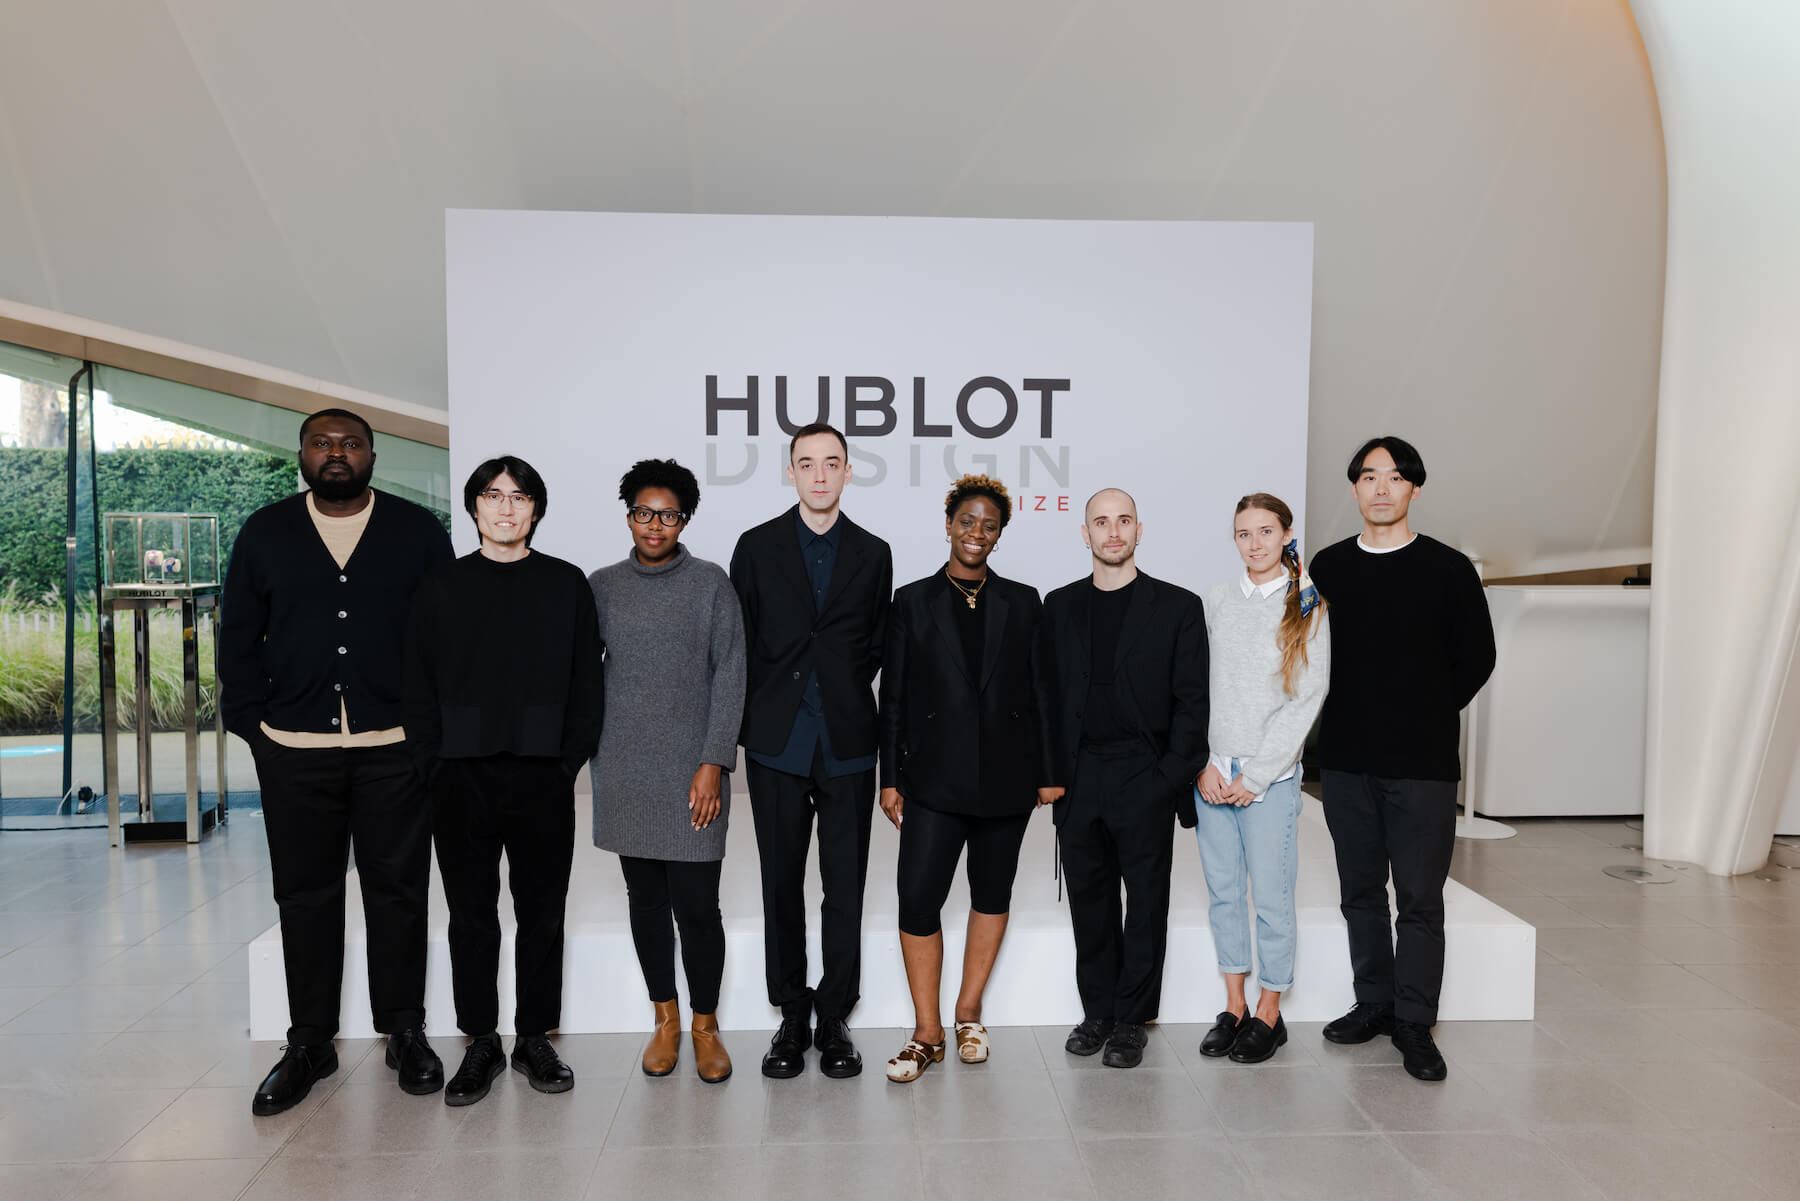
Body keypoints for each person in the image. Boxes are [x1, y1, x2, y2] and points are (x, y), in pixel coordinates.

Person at [219, 407, 452, 1116]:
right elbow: (238, 635)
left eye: (350, 443)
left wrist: (430, 734)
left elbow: (446, 636)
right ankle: (310, 1043)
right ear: (302, 455)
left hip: (394, 749)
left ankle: (404, 1031)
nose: (336, 453)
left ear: (373, 455)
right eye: (321, 443)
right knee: (305, 896)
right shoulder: (266, 532)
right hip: (294, 750)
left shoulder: (416, 531)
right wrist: (255, 728)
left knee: (398, 892)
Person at [402, 455, 604, 1105]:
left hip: (543, 774)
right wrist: (434, 765)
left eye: (519, 497)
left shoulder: (566, 583)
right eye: (493, 495)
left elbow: (589, 682)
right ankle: (481, 1040)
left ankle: (533, 1036)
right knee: (470, 915)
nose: (506, 507)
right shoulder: (441, 585)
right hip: (459, 777)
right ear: (474, 507)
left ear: (536, 509)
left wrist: (567, 762)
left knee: (543, 912)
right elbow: (416, 683)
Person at [1308, 436, 1495, 1082]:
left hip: (1422, 763)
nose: (1381, 488)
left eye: (1394, 477)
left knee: (1418, 898)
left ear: (1414, 486)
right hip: (1345, 760)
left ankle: (1414, 1020)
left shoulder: (1448, 568)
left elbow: (1478, 656)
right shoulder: (1328, 567)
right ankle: (1374, 1003)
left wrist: (1426, 711)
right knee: (1360, 892)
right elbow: (1304, 652)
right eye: (1368, 476)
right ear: (1354, 488)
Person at [876, 475, 1061, 1082]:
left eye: (989, 525)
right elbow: (893, 697)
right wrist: (890, 777)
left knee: (992, 893)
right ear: (949, 525)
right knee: (918, 898)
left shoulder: (1024, 602)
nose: (976, 533)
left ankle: (968, 1014)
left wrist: (1048, 772)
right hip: (931, 779)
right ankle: (926, 1032)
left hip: (1008, 779)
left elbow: (1043, 692)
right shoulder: (911, 601)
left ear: (999, 534)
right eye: (967, 521)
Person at [730, 422, 892, 1079]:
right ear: (790, 471)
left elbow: (876, 644)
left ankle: (835, 1015)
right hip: (777, 741)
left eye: (831, 463)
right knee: (780, 882)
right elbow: (741, 643)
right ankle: (792, 1015)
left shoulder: (874, 552)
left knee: (845, 886)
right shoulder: (756, 546)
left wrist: (842, 691)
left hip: (848, 740)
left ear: (849, 471)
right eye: (807, 463)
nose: (819, 474)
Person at [590, 459, 746, 1084]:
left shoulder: (711, 584)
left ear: (686, 520)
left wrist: (713, 761)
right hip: (625, 768)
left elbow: (731, 674)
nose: (655, 525)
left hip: (693, 771)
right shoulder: (602, 586)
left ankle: (705, 1026)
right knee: (647, 903)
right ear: (628, 515)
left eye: (669, 515)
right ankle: (666, 1019)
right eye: (643, 513)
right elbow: (582, 673)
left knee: (698, 906)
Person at [1041, 488, 1208, 1069]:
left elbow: (1193, 703)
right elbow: (1044, 698)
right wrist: (1051, 774)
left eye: (1123, 521)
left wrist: (1166, 780)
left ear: (1139, 530)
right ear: (1084, 534)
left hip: (1145, 773)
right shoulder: (1058, 606)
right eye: (1101, 522)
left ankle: (1133, 1019)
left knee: (1145, 904)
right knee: (1088, 901)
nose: (1112, 532)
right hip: (1079, 774)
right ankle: (1099, 1012)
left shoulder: (1178, 607)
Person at [1193, 493, 1330, 1065]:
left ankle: (1270, 1012)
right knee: (1224, 893)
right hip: (1213, 775)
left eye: (1266, 531)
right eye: (1244, 533)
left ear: (1286, 535)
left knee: (1271, 897)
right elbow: (1194, 686)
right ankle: (1235, 1006)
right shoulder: (1216, 601)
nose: (1255, 543)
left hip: (1267, 779)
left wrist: (1257, 775)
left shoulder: (1307, 606)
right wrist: (1204, 762)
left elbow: (1307, 698)